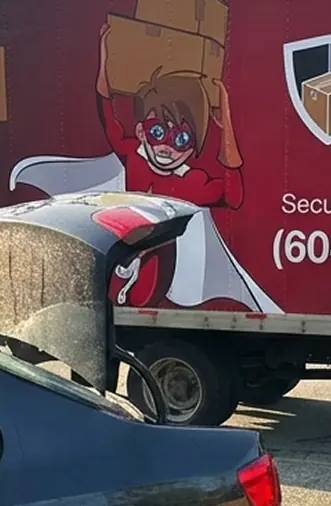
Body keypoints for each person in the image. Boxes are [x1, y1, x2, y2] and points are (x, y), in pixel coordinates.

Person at [95, 22, 244, 306]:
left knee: (138, 297)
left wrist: (227, 129)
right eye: (158, 132)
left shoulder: (191, 182)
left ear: (192, 147)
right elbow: (106, 114)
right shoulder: (135, 156)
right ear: (141, 131)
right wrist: (105, 61)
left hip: (152, 272)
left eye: (182, 138)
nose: (167, 146)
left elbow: (233, 196)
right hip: (123, 256)